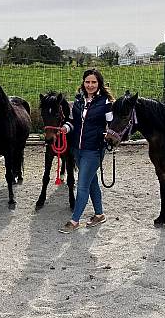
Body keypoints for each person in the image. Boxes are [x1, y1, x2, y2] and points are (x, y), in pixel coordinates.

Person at [59, 68, 114, 234]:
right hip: (77, 149)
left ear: (99, 84)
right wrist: (65, 129)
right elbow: (73, 122)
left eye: (94, 82)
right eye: (87, 82)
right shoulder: (78, 101)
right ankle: (99, 214)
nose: (90, 85)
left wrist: (107, 135)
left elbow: (111, 126)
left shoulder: (106, 103)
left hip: (94, 150)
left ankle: (74, 221)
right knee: (91, 182)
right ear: (83, 83)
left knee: (82, 186)